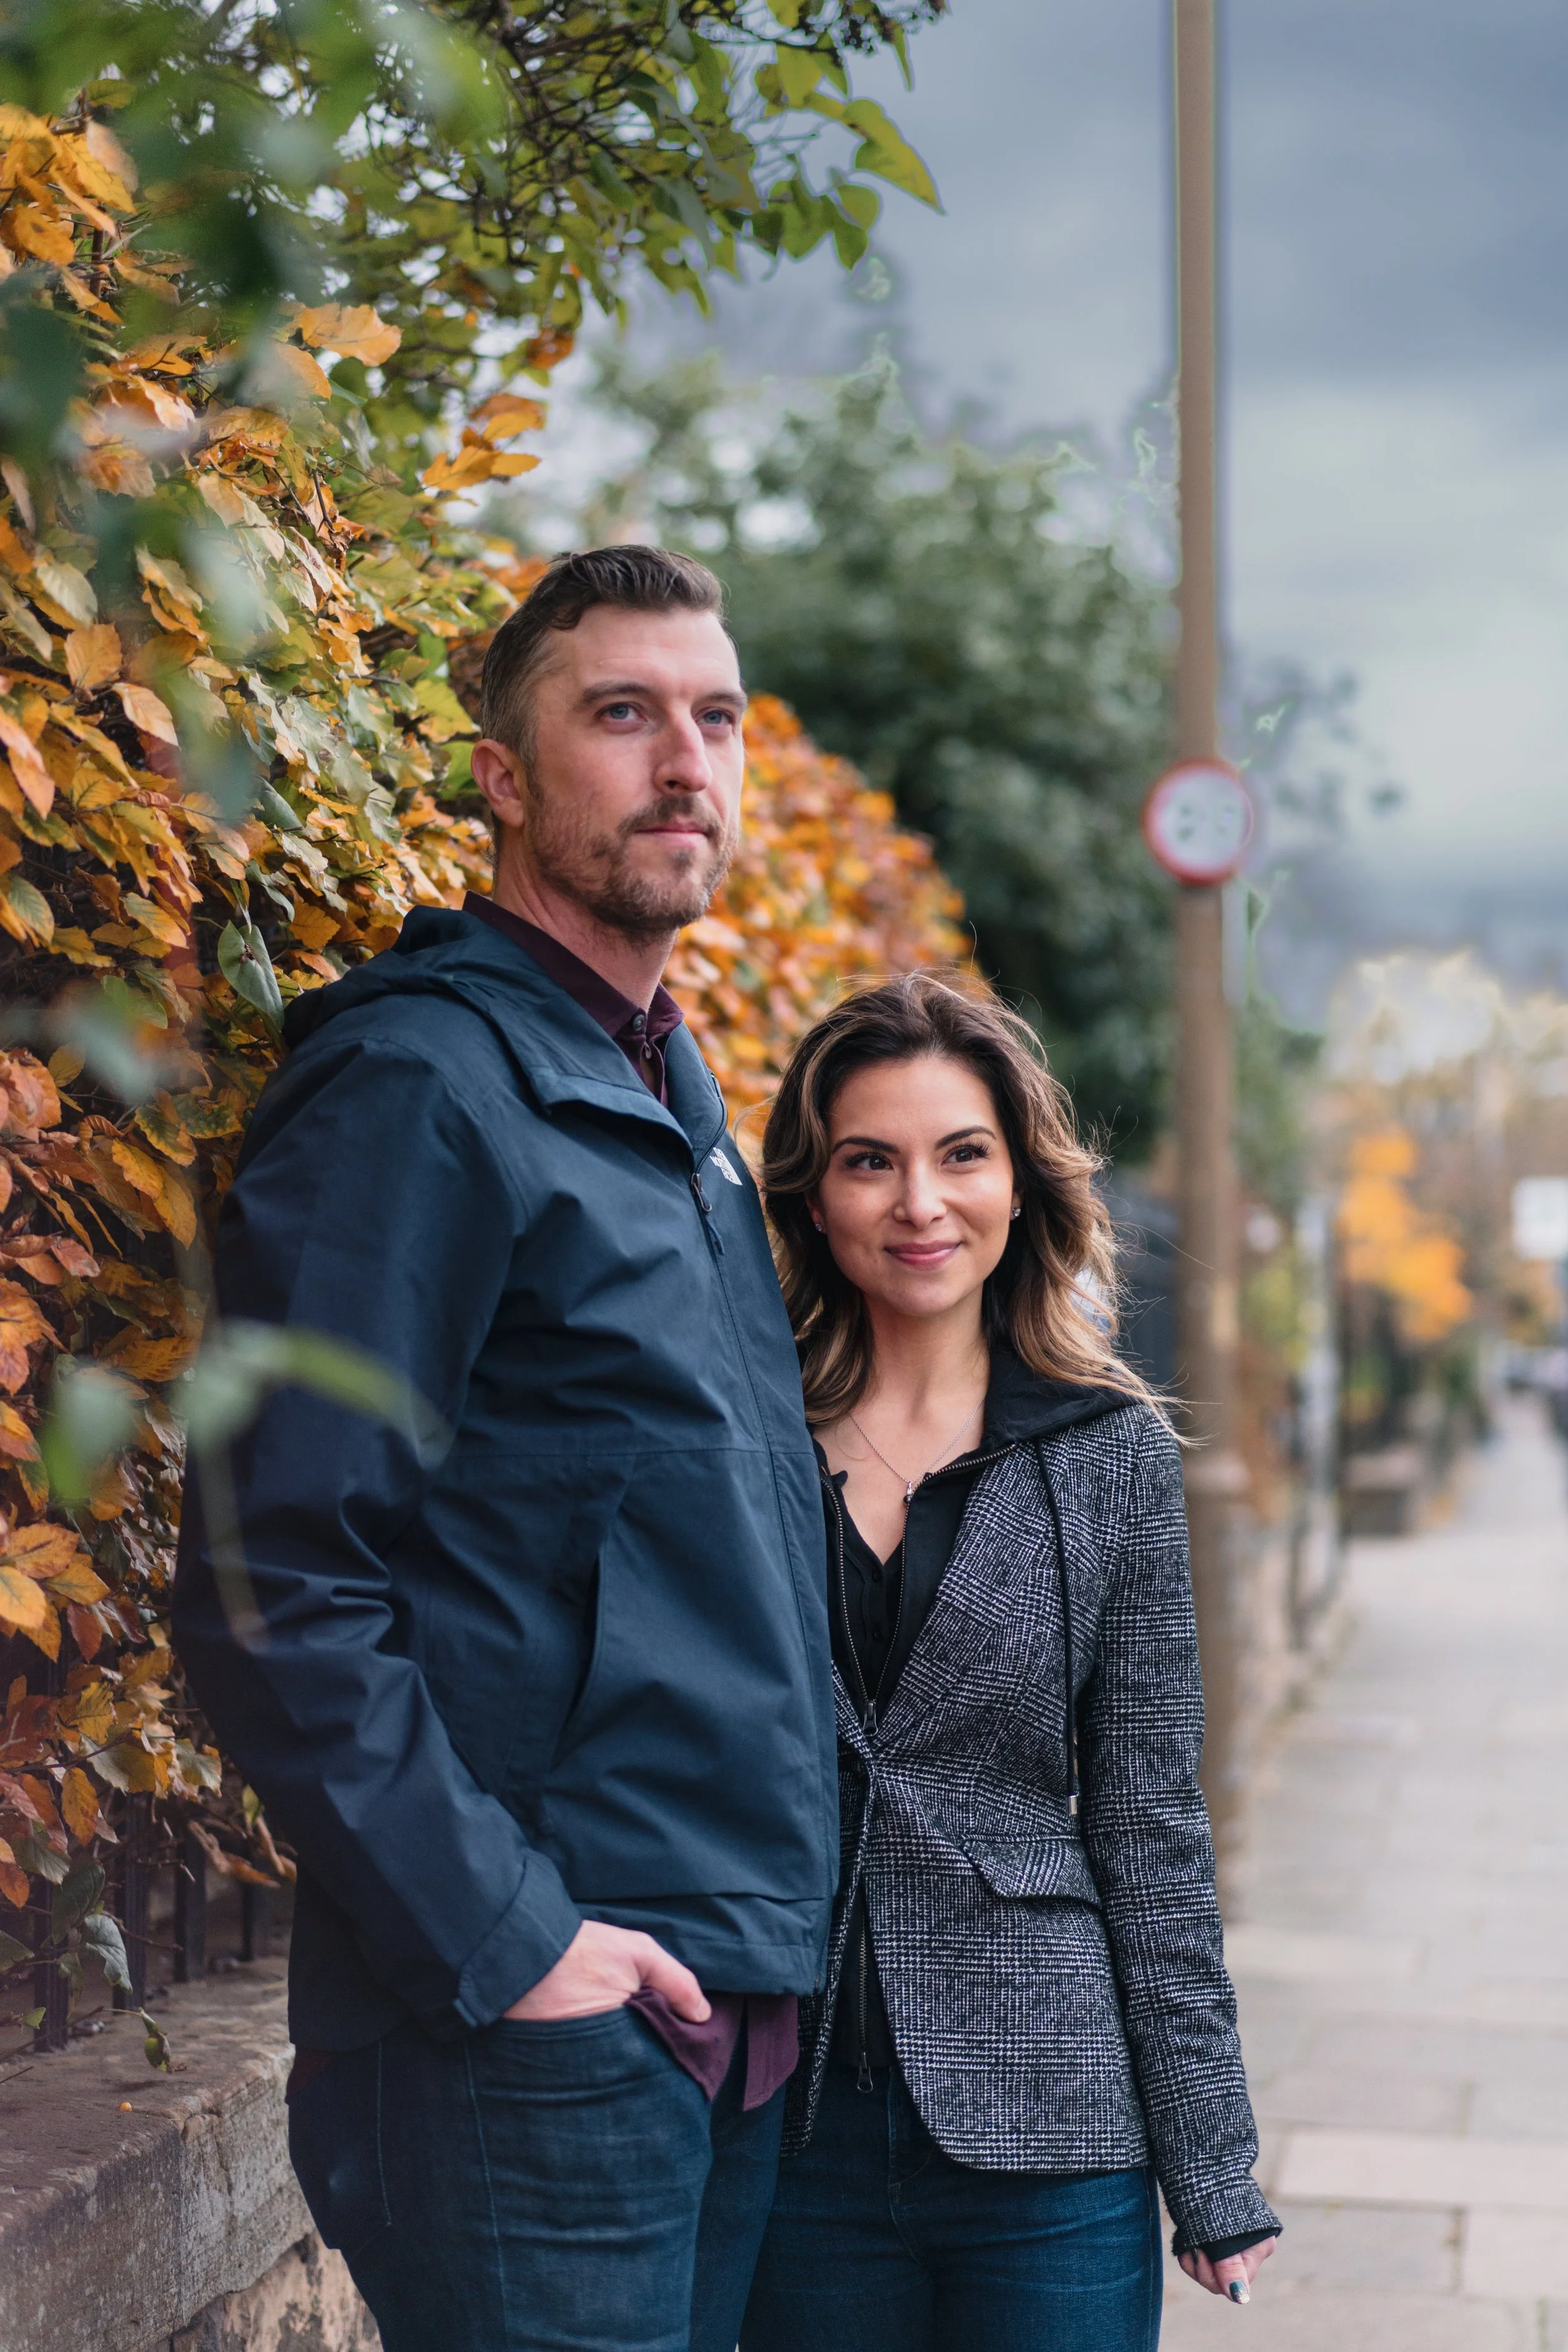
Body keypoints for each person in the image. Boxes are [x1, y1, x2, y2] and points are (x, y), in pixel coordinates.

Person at [173, 548, 838, 2352]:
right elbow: (270, 1576)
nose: (681, 760)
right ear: (499, 771)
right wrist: (512, 1939)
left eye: (712, 716)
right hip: (528, 2036)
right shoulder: (421, 1088)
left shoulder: (671, 1102)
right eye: (618, 713)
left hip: (709, 2004)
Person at [739, 972, 1279, 2352]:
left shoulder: (1109, 1459)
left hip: (1050, 2133)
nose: (920, 1203)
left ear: (1018, 1186)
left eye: (959, 1155)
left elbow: (1149, 1820)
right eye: (872, 1161)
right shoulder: (735, 1435)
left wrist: (1211, 2167)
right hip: (787, 2132)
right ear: (815, 1197)